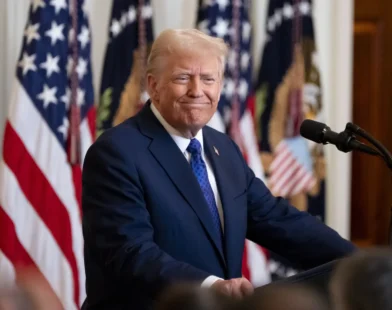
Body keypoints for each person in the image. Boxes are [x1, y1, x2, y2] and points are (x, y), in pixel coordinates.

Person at [81, 28, 355, 310]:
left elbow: (277, 220)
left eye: (208, 79)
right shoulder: (116, 152)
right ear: (153, 85)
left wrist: (359, 263)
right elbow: (131, 252)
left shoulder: (223, 148)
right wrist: (211, 287)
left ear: (220, 85)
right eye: (183, 78)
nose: (197, 90)